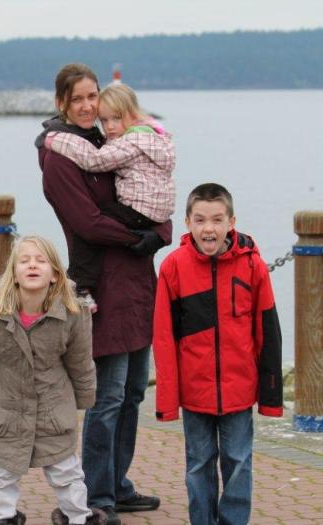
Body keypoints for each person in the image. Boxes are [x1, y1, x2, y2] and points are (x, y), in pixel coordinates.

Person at [35, 63, 169, 525]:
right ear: (61, 103)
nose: (88, 106)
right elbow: (87, 223)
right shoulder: (59, 158)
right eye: (78, 99)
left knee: (133, 392)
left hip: (138, 281)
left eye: (93, 96)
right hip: (101, 286)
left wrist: (160, 232)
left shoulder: (110, 140)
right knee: (107, 396)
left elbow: (151, 190)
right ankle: (95, 495)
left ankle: (118, 484)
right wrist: (138, 237)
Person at [0, 235, 107, 525]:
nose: (32, 265)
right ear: (13, 273)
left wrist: (85, 398)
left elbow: (81, 361)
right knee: (2, 473)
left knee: (67, 472)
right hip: (4, 407)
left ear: (55, 274)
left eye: (40, 261)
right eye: (24, 261)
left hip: (52, 407)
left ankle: (78, 516)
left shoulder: (73, 313)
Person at [153, 183, 283, 525]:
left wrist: (270, 397)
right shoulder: (173, 267)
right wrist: (168, 402)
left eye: (216, 219)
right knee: (198, 465)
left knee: (239, 463)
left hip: (239, 391)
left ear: (231, 222)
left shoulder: (253, 266)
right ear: (187, 223)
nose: (208, 228)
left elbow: (268, 332)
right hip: (195, 392)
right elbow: (164, 339)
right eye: (199, 220)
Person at [43, 82, 176, 312]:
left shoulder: (129, 142)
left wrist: (55, 139)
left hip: (137, 211)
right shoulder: (153, 138)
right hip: (156, 213)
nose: (110, 127)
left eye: (116, 118)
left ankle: (81, 287)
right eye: (104, 121)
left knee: (90, 225)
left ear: (132, 115)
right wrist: (159, 234)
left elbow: (95, 160)